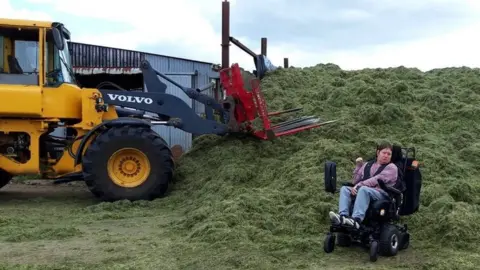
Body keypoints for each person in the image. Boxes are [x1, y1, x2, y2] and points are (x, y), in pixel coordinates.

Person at [328, 141, 399, 229]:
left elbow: (376, 180)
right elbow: (355, 181)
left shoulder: (392, 168)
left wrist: (359, 186)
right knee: (345, 189)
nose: (386, 156)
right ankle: (343, 216)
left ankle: (356, 219)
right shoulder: (367, 165)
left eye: (389, 154)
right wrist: (358, 167)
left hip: (382, 193)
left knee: (364, 189)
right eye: (384, 153)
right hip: (365, 189)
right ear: (378, 152)